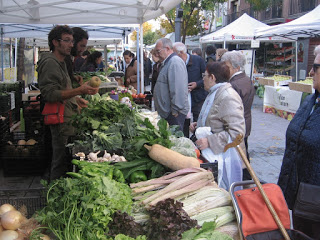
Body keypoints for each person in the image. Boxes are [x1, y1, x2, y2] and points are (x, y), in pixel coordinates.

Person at [37, 25, 99, 181]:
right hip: (59, 118)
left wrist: (76, 99)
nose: (71, 45)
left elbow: (63, 90)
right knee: (59, 160)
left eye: (72, 41)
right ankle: (54, 194)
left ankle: (61, 189)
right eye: (67, 41)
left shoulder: (62, 62)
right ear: (55, 42)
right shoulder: (50, 62)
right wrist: (79, 91)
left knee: (65, 157)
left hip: (67, 117)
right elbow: (50, 94)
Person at [277, 52, 320, 239]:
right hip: (298, 196)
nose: (310, 72)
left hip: (315, 203)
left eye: (316, 67)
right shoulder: (311, 100)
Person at [189, 62, 245, 186]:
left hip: (224, 158)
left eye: (205, 75)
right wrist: (199, 125)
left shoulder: (228, 97)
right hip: (212, 155)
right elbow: (216, 119)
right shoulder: (214, 92)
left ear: (212, 77)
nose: (202, 79)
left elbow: (237, 133)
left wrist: (209, 141)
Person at [221, 51, 255, 181]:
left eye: (226, 66)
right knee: (243, 156)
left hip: (238, 127)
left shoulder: (234, 84)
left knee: (239, 160)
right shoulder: (245, 79)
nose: (223, 69)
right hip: (245, 124)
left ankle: (244, 183)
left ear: (236, 67)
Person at [153, 38, 189, 131]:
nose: (156, 54)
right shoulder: (168, 62)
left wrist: (175, 111)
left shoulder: (174, 62)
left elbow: (178, 90)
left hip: (173, 114)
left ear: (167, 48)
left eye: (158, 51)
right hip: (169, 113)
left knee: (175, 141)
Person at [173, 42, 207, 137]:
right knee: (184, 122)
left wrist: (197, 84)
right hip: (183, 99)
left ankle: (198, 143)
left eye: (174, 53)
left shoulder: (198, 60)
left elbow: (206, 77)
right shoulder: (175, 63)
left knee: (198, 122)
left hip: (198, 97)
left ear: (180, 53)